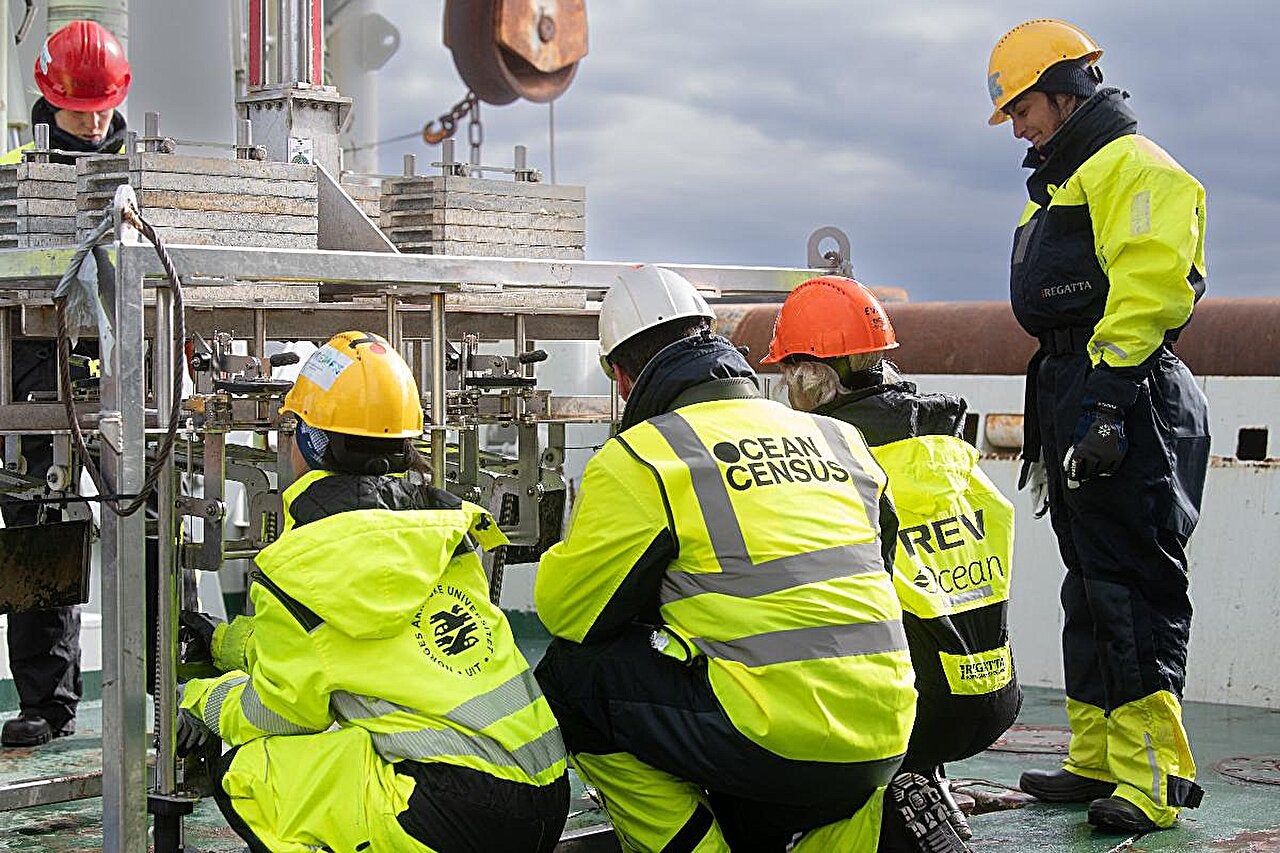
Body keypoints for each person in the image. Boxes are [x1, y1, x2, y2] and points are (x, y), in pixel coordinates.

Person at [533, 265, 937, 853]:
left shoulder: (644, 456)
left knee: (575, 679)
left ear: (623, 378)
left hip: (774, 739)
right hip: (889, 733)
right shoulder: (837, 438)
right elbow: (874, 566)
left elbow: (571, 614)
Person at [176, 331, 570, 852]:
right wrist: (225, 642)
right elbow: (349, 651)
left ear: (306, 441)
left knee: (250, 772)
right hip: (545, 798)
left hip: (449, 813)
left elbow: (280, 711)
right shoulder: (445, 532)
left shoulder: (299, 567)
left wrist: (201, 698)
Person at [986, 19, 1209, 833]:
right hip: (1073, 382)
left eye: (1023, 109)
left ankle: (1153, 780)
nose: (1019, 128)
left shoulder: (1132, 166)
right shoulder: (1067, 178)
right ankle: (1099, 757)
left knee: (1132, 584)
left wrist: (1110, 399)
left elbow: (1151, 285)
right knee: (1086, 580)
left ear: (1064, 90)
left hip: (1124, 388)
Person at [763, 276, 1022, 851]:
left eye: (785, 374)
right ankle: (923, 778)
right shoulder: (946, 449)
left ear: (812, 377)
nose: (783, 390)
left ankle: (889, 782)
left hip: (911, 711)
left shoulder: (838, 466)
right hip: (991, 694)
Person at [0, 18, 131, 748]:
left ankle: (162, 686)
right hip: (36, 361)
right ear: (51, 100)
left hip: (125, 359)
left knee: (147, 513)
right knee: (38, 514)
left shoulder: (144, 172)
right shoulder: (16, 171)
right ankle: (46, 703)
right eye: (80, 108)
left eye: (103, 106)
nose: (94, 122)